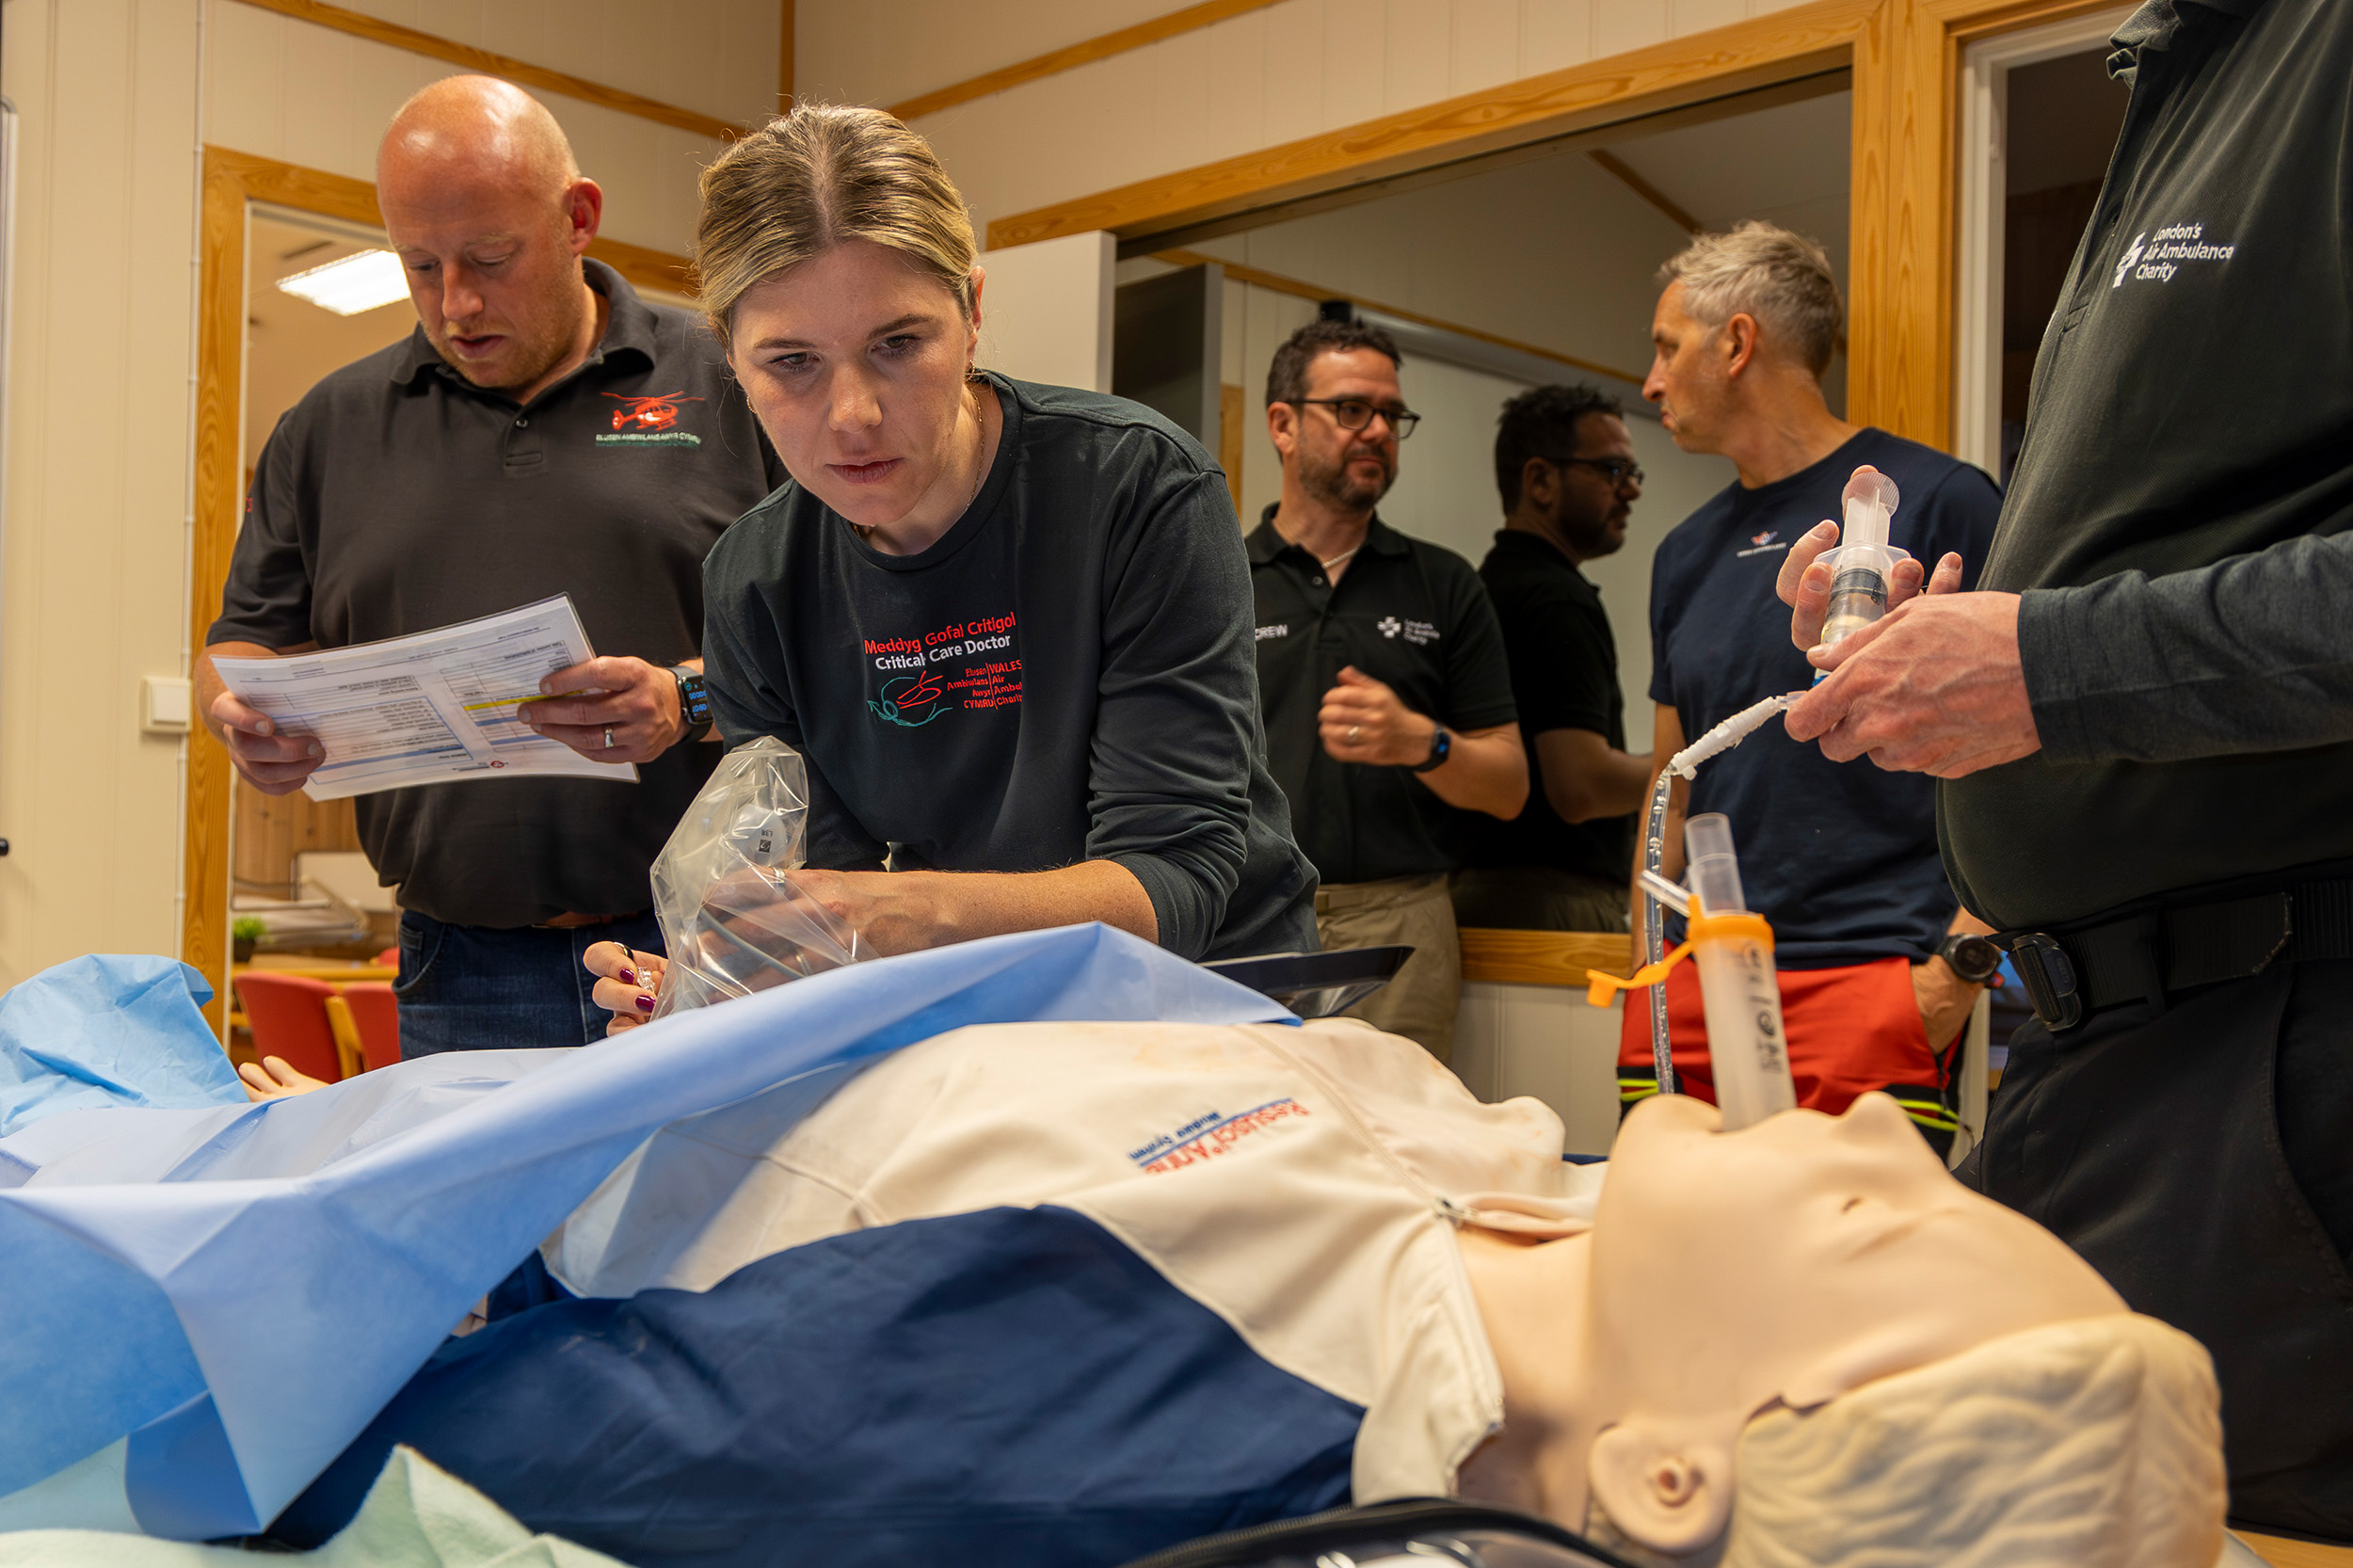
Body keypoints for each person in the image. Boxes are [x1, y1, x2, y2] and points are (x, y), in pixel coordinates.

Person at [271, 1017, 2223, 1568]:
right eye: (1924, 1161)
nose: (1884, 1117)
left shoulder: (1073, 1403)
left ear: (1658, 1475)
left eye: (1875, 1217)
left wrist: (353, 1222)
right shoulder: (1541, 1186)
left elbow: (402, 1418)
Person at [1777, 0, 2353, 1536]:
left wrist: (2049, 666)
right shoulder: (2185, 76)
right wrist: (1961, 646)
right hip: (2105, 1053)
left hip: (2282, 1059)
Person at [582, 102, 1314, 1026]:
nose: (851, 413)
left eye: (897, 345)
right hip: (977, 1007)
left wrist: (901, 912)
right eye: (793, 362)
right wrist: (723, 992)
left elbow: (1177, 877)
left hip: (1199, 1003)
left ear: (970, 313)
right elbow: (835, 904)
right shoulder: (755, 581)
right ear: (731, 356)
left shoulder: (1134, 486)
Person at [197, 77, 783, 1057]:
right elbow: (239, 641)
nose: (454, 304)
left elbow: (841, 632)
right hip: (454, 966)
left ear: (578, 219)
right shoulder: (329, 428)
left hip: (706, 942)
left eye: (491, 259)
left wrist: (686, 698)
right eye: (419, 266)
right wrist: (236, 714)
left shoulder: (735, 382)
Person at [1625, 222, 2002, 1150]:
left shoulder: (1941, 499)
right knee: (1681, 1266)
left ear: (1738, 343)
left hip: (1879, 975)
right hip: (1698, 980)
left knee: (1854, 1283)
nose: (1650, 382)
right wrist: (1640, 966)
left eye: (1666, 349)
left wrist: (1957, 966)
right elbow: (1674, 776)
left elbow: (2022, 752)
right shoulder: (1683, 553)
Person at [1245, 319, 1527, 1063]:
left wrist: (1420, 742)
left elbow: (1508, 787)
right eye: (1350, 410)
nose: (1375, 431)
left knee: (1401, 1147)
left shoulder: (1444, 585)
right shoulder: (1217, 583)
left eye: (1391, 415)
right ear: (1282, 423)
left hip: (1400, 924)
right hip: (1251, 916)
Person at [1454, 385, 1653, 934]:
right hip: (1552, 903)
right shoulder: (1554, 598)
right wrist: (1685, 765)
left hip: (1487, 892)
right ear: (1540, 480)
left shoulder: (1485, 586)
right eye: (1613, 470)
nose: (1631, 490)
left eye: (1633, 472)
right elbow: (1580, 787)